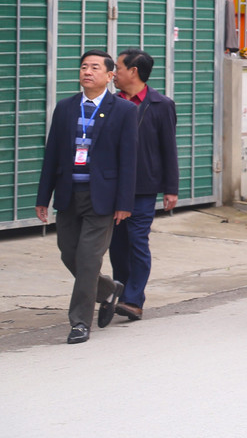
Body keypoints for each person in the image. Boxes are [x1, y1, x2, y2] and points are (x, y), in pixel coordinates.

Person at [36, 50, 138, 345]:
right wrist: (44, 197)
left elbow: (128, 160)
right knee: (69, 253)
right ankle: (108, 289)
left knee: (88, 258)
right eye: (83, 67)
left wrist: (124, 203)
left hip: (102, 198)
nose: (87, 72)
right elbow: (52, 154)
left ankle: (79, 323)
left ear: (110, 76)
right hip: (69, 194)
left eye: (95, 67)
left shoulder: (123, 110)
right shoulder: (66, 108)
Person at [107, 49, 178, 322]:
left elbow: (168, 148)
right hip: (114, 187)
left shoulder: (161, 104)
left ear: (133, 72)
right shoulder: (110, 104)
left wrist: (171, 187)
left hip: (144, 187)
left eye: (118, 68)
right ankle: (121, 291)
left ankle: (134, 299)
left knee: (137, 241)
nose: (114, 73)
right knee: (118, 245)